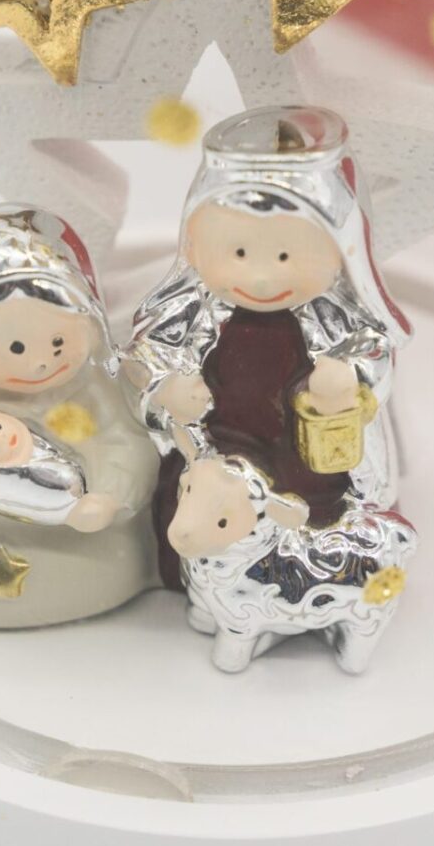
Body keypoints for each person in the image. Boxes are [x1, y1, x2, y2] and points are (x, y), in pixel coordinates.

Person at [123, 106, 412, 589]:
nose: (261, 278)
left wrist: (347, 381)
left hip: (300, 457)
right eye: (238, 253)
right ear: (194, 245)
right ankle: (204, 589)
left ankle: (307, 589)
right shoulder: (192, 309)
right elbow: (144, 359)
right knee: (187, 503)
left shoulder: (335, 315)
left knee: (314, 516)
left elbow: (373, 354)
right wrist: (166, 389)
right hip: (214, 450)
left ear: (340, 253)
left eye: (284, 256)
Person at [0, 205, 158, 626]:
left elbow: (127, 443)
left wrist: (111, 497)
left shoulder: (93, 392)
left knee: (115, 558)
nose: (39, 363)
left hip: (90, 542)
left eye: (57, 343)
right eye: (16, 348)